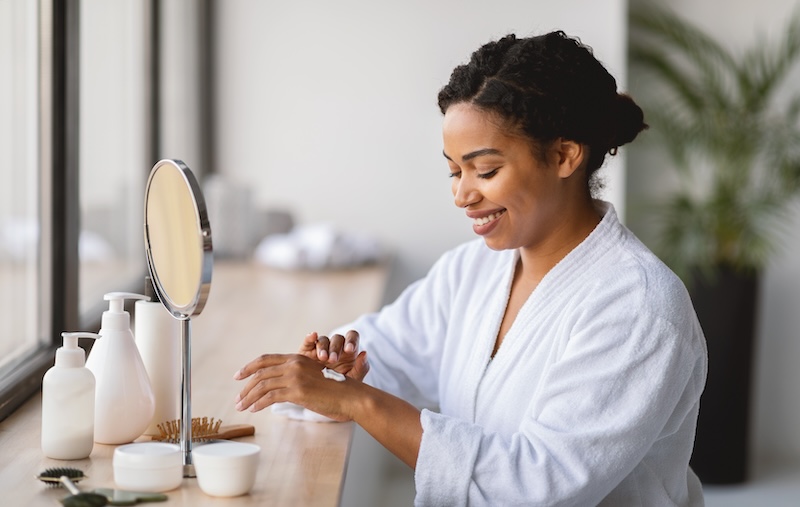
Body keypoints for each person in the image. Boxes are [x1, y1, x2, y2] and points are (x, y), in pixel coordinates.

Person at [234, 31, 707, 506]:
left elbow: (536, 486)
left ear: (565, 156)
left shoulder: (639, 306)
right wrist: (335, 373)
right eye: (454, 171)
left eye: (485, 171)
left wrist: (359, 402)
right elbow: (390, 350)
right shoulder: (472, 270)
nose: (462, 195)